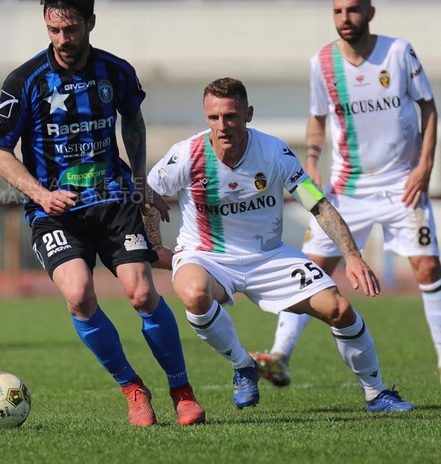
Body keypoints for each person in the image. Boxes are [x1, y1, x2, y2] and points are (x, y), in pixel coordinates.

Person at [0, 0, 204, 426]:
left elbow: (134, 123)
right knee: (78, 296)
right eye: (53, 30)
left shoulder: (116, 72)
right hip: (56, 213)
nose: (62, 40)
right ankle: (132, 388)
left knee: (143, 293)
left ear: (90, 22)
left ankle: (181, 391)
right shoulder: (24, 81)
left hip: (112, 200)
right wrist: (41, 194)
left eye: (70, 29)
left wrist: (141, 181)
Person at [147, 77, 414, 412]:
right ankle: (244, 366)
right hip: (207, 255)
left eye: (230, 116)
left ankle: (377, 394)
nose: (222, 125)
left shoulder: (274, 151)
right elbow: (148, 192)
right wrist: (155, 244)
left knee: (339, 309)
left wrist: (352, 255)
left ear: (249, 114)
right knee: (194, 293)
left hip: (268, 256)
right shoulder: (187, 154)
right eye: (213, 118)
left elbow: (317, 203)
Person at [250, 0, 441, 387]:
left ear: (370, 13)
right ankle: (280, 355)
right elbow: (317, 118)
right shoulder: (321, 62)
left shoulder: (398, 52)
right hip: (346, 188)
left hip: (401, 184)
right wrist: (313, 160)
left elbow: (429, 108)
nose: (344, 19)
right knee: (313, 269)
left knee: (428, 267)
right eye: (337, 12)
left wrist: (425, 166)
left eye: (353, 11)